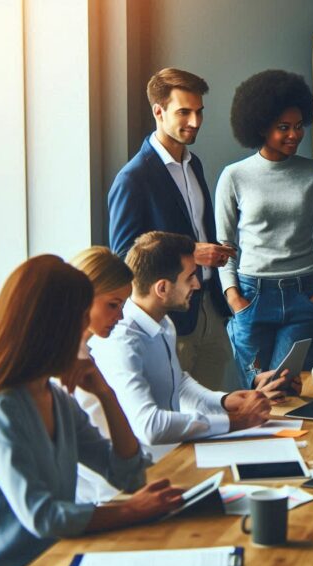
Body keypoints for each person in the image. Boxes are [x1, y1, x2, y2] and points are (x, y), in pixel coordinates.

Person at [0, 256, 183, 566]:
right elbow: (42, 516)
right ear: (49, 326)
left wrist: (107, 395)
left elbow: (129, 476)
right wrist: (133, 509)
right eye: (78, 320)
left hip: (49, 558)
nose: (82, 333)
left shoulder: (56, 398)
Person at [89, 232, 294, 450]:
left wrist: (224, 402)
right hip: (147, 468)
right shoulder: (121, 341)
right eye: (190, 277)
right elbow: (149, 426)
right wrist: (237, 421)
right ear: (162, 288)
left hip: (174, 453)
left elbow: (178, 384)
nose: (197, 285)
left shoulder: (164, 322)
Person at [107, 68, 235, 391]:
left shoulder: (195, 164)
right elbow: (126, 258)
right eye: (184, 112)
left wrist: (212, 251)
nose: (195, 121)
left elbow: (195, 228)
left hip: (209, 309)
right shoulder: (132, 178)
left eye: (199, 112)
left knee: (213, 415)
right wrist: (193, 252)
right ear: (158, 112)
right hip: (171, 317)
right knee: (178, 420)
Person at [217, 69, 313, 386]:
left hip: (305, 295)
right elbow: (224, 246)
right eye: (283, 128)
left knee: (292, 392)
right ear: (260, 127)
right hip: (252, 297)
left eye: (299, 126)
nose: (294, 135)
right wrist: (234, 299)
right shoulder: (234, 176)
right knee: (259, 395)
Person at [68, 246, 137, 503]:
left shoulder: (83, 352)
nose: (120, 316)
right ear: (83, 297)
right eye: (113, 305)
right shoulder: (72, 363)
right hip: (92, 501)